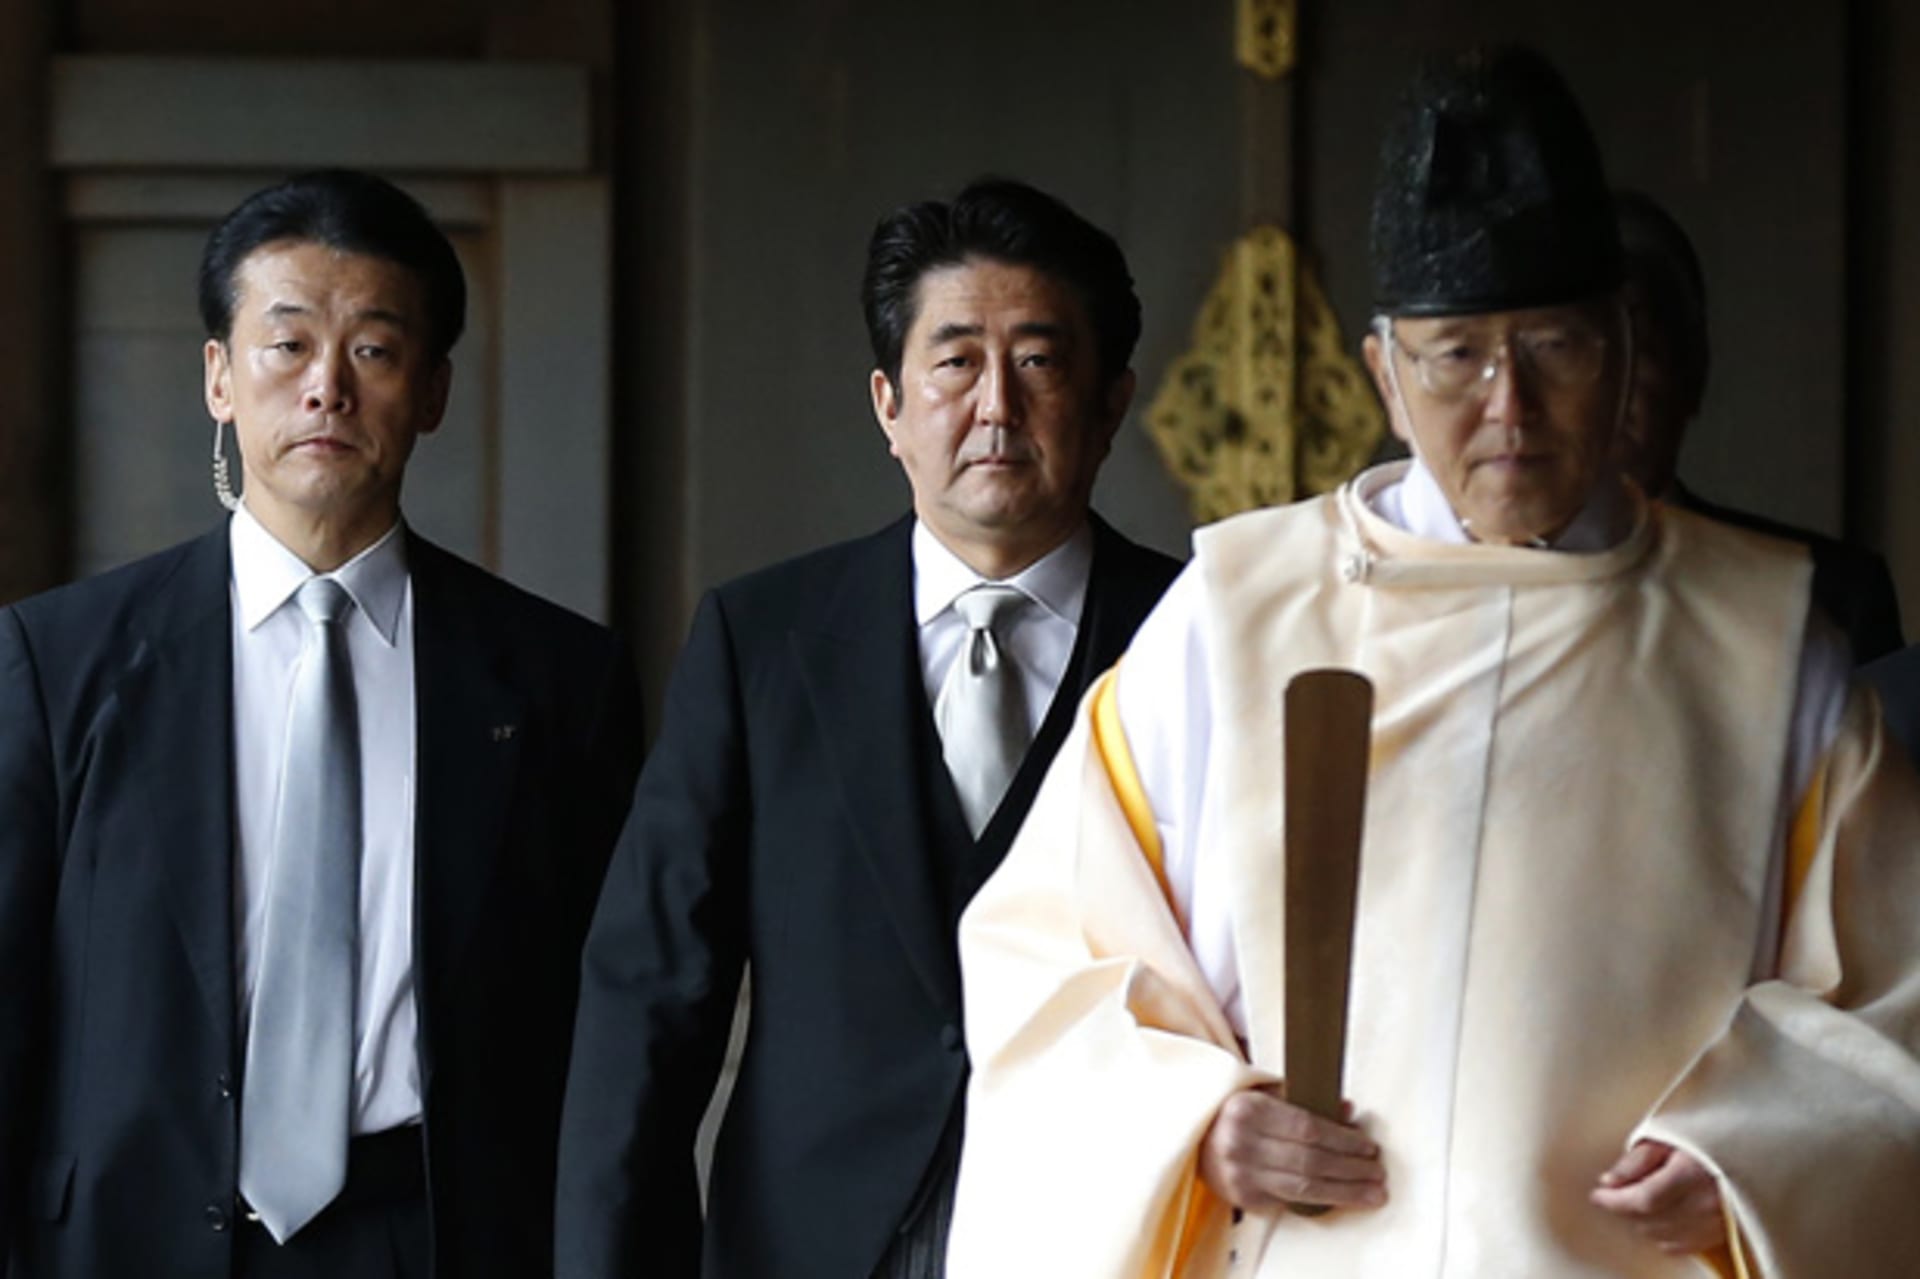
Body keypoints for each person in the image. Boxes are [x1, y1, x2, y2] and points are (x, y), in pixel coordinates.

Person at [946, 47, 1920, 1278]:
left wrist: (1758, 1157)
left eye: (1552, 348)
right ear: (1386, 377)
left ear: (1621, 353)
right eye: (1456, 355)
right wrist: (1198, 1124)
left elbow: (1893, 1010)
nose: (1507, 407)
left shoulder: (1767, 646)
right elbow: (1049, 964)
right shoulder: (1238, 613)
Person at [0, 170, 645, 1278]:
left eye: (375, 352)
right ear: (218, 376)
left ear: (434, 390)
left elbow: (612, 1032)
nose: (326, 391)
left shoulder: (557, 681)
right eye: (287, 345)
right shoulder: (59, 660)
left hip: (440, 1234)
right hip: (124, 1236)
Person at [556, 177, 1182, 1279]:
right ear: (889, 403)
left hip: (1118, 1238)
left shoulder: (1198, 641)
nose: (996, 405)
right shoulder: (764, 641)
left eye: (1038, 361)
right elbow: (649, 1002)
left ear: (1112, 398)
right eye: (955, 362)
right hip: (812, 1245)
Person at [1613, 188, 1903, 664]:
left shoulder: (1831, 591)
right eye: (1567, 354)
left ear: (1694, 371)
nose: (1603, 389)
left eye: (1634, 352)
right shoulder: (1473, 598)